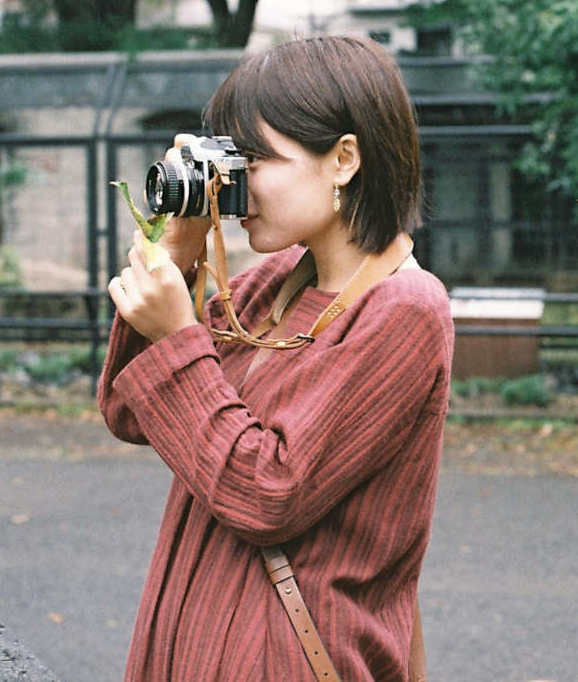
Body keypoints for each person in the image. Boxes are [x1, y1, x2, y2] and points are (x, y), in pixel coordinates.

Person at [100, 34, 453, 682]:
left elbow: (270, 493)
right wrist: (178, 253)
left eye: (256, 159)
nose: (239, 183)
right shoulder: (271, 284)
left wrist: (180, 336)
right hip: (190, 642)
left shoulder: (405, 309)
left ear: (344, 158)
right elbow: (129, 408)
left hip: (278, 658)